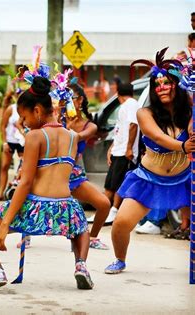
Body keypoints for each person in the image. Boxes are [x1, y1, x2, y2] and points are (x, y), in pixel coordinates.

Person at [0, 77, 93, 293]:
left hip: (35, 207)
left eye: (24, 116)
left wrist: (4, 224)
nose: (23, 122)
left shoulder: (35, 136)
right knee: (81, 228)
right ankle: (81, 265)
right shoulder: (73, 137)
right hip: (66, 206)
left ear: (37, 111)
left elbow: (26, 182)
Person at [105, 51, 194, 274]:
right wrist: (183, 146)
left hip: (184, 179)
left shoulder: (190, 113)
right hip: (148, 180)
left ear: (178, 85)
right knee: (121, 224)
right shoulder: (145, 113)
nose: (161, 87)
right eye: (157, 84)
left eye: (167, 83)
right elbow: (156, 137)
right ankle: (120, 259)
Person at [66, 83, 111, 250]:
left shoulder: (90, 126)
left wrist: (67, 127)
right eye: (64, 99)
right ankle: (24, 235)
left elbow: (75, 138)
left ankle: (92, 237)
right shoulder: (54, 120)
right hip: (53, 173)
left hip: (74, 174)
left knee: (104, 204)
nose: (67, 102)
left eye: (71, 98)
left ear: (80, 101)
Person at [102, 83, 140, 224]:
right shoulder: (125, 106)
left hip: (124, 152)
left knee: (118, 184)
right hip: (118, 151)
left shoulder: (131, 104)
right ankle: (103, 211)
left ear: (118, 94)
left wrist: (129, 148)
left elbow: (133, 125)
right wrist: (111, 148)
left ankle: (113, 211)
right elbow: (120, 130)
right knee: (109, 184)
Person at [0, 90, 25, 201]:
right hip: (10, 140)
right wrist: (5, 142)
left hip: (22, 141)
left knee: (22, 167)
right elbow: (2, 126)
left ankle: (16, 192)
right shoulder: (11, 109)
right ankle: (1, 193)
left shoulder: (27, 110)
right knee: (5, 166)